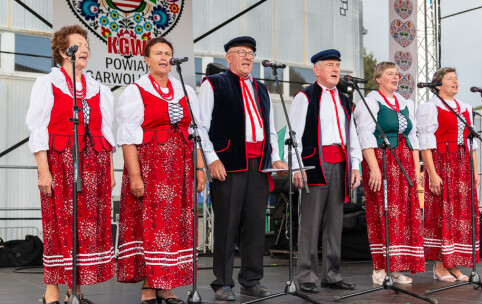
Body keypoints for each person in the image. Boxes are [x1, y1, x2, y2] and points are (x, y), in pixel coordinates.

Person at [26, 24, 115, 304]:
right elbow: (38, 129)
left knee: (86, 228)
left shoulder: (99, 89)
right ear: (64, 51)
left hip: (95, 165)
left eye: (87, 43)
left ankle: (75, 292)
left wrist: (110, 172)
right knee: (58, 226)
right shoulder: (48, 84)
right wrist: (43, 170)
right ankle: (52, 292)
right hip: (61, 163)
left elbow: (107, 134)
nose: (85, 47)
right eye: (79, 43)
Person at [115, 37, 206, 304]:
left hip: (180, 169)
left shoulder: (185, 90)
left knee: (175, 228)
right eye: (158, 53)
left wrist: (199, 168)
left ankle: (166, 286)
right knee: (153, 229)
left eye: (168, 53)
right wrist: (134, 176)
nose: (164, 57)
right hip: (151, 169)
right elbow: (128, 137)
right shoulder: (136, 90)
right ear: (147, 60)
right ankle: (148, 286)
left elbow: (194, 132)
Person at [197, 36, 288, 301]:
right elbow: (201, 126)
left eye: (251, 53)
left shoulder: (262, 88)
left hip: (258, 165)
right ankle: (222, 283)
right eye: (241, 52)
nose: (248, 57)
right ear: (228, 57)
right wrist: (211, 159)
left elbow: (269, 129)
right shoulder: (214, 84)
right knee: (226, 224)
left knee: (255, 225)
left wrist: (276, 157)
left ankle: (251, 279)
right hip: (229, 163)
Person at [289, 49, 362, 293]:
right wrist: (297, 166)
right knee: (310, 223)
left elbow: (352, 134)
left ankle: (332, 274)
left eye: (337, 66)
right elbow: (293, 135)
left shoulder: (344, 99)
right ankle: (308, 276)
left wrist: (355, 163)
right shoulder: (305, 96)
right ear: (317, 70)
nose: (335, 70)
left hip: (340, 162)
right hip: (315, 163)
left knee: (335, 222)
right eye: (330, 65)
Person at [354, 62, 425, 285]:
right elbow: (364, 135)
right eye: (389, 74)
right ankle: (379, 268)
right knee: (383, 213)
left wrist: (416, 169)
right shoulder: (370, 101)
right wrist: (374, 168)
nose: (396, 77)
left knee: (402, 216)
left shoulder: (405, 103)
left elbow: (413, 139)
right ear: (378, 78)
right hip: (382, 160)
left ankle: (396, 268)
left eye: (397, 74)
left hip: (403, 162)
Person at [416, 67, 480, 282]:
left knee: (461, 214)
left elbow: (472, 143)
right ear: (438, 85)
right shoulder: (430, 107)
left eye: (456, 78)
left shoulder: (465, 108)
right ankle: (440, 265)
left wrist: (475, 171)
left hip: (462, 165)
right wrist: (432, 174)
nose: (456, 82)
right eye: (450, 79)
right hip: (441, 163)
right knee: (443, 214)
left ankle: (454, 263)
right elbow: (425, 143)